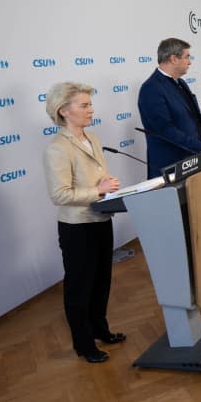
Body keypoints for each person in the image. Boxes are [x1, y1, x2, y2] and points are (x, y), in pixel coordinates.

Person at [43, 82, 124, 364]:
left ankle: (101, 330)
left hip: (101, 219)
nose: (91, 109)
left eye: (90, 104)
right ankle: (84, 343)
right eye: (84, 105)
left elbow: (99, 180)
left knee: (102, 280)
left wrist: (110, 188)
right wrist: (100, 190)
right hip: (76, 227)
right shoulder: (57, 148)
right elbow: (59, 194)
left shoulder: (93, 138)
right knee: (80, 286)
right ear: (64, 111)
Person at [138, 38, 201, 179]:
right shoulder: (151, 88)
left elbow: (198, 118)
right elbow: (166, 130)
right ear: (173, 59)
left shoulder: (181, 83)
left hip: (192, 162)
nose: (189, 62)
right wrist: (200, 146)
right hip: (171, 167)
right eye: (187, 57)